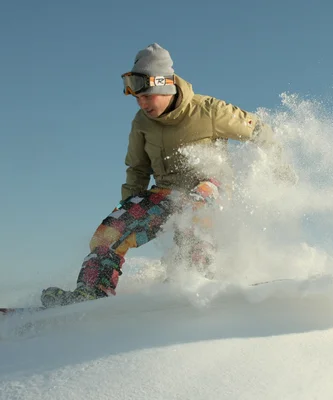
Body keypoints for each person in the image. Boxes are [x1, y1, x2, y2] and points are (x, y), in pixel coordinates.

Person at [41, 43, 292, 307]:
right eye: (137, 98)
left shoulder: (209, 111)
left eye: (147, 95)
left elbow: (259, 131)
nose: (141, 103)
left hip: (211, 188)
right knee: (109, 232)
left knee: (196, 206)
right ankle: (92, 293)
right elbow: (137, 170)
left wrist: (280, 168)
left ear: (163, 85)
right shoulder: (141, 123)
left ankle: (194, 280)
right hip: (166, 192)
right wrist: (128, 213)